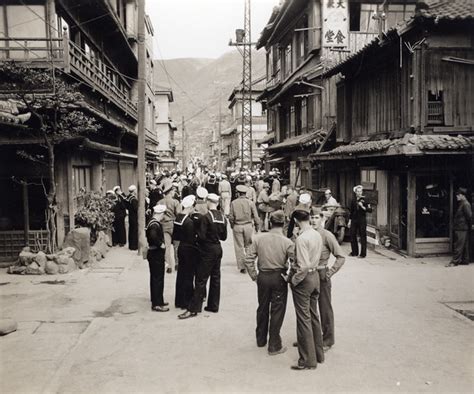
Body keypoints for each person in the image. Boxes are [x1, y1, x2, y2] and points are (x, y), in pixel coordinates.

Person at [244, 210, 294, 356]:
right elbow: (295, 262)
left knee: (262, 307)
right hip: (279, 277)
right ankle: (274, 344)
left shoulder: (259, 239)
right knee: (277, 310)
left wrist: (255, 276)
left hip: (263, 277)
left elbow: (248, 259)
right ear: (284, 224)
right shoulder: (288, 242)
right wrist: (289, 277)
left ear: (270, 223)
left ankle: (260, 339)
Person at [284, 209, 324, 370]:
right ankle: (319, 354)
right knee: (314, 316)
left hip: (304, 279)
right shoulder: (316, 234)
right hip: (315, 278)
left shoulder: (301, 239)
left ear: (296, 221)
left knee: (303, 320)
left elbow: (303, 266)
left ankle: (307, 360)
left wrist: (293, 280)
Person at [178, 193, 227, 319]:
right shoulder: (222, 217)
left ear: (208, 202)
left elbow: (201, 236)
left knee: (201, 279)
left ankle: (193, 309)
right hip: (218, 248)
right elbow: (224, 237)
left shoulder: (206, 217)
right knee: (216, 277)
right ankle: (213, 305)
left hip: (208, 250)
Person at [310, 210, 345, 351]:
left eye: (316, 217)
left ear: (322, 219)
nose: (313, 220)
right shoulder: (305, 233)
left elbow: (341, 256)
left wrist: (330, 272)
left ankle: (328, 340)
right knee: (308, 308)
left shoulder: (327, 235)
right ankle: (310, 337)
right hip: (308, 274)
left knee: (324, 308)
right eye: (311, 217)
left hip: (321, 273)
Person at [173, 195, 201, 309]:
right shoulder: (189, 222)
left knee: (181, 275)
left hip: (181, 247)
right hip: (189, 249)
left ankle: (179, 300)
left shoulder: (178, 218)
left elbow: (175, 235)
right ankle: (187, 300)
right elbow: (192, 238)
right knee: (188, 275)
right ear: (190, 207)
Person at [229, 185, 260, 274]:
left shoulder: (234, 203)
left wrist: (232, 225)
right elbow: (256, 216)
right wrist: (257, 226)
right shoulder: (250, 203)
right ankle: (250, 263)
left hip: (237, 226)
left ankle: (242, 266)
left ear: (238, 193)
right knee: (249, 246)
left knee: (239, 247)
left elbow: (231, 217)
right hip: (248, 226)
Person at [146, 204, 169, 312]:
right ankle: (157, 303)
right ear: (160, 213)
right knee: (157, 278)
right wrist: (161, 244)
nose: (164, 216)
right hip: (156, 253)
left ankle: (158, 299)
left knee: (156, 277)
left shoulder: (152, 222)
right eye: (163, 214)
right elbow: (153, 236)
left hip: (154, 253)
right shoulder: (154, 225)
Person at [158, 179, 182, 273]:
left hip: (164, 225)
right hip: (174, 225)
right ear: (170, 191)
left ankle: (168, 266)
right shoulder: (175, 202)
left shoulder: (159, 202)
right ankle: (177, 264)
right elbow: (179, 214)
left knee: (167, 246)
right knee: (177, 245)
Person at [447, 188, 472, 267]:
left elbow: (469, 216)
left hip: (462, 228)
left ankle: (454, 262)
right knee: (464, 245)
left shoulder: (465, 204)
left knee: (458, 245)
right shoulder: (462, 203)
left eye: (458, 195)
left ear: (462, 195)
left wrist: (469, 225)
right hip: (461, 227)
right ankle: (465, 260)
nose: (457, 197)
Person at [349, 185, 372, 258]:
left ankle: (363, 254)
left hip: (362, 219)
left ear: (362, 192)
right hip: (354, 219)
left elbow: (370, 210)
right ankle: (354, 252)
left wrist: (362, 206)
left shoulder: (365, 199)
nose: (359, 193)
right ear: (355, 192)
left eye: (360, 191)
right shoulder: (353, 200)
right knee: (352, 235)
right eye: (358, 191)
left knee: (362, 236)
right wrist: (349, 221)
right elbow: (351, 211)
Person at [126, 185, 138, 250]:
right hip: (134, 217)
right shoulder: (133, 199)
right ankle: (134, 246)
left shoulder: (128, 197)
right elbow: (136, 208)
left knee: (131, 230)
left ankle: (131, 245)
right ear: (133, 191)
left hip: (131, 216)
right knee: (134, 231)